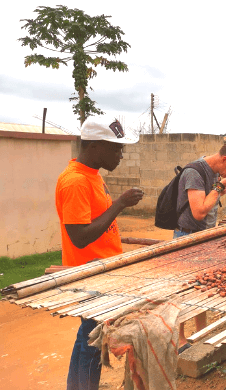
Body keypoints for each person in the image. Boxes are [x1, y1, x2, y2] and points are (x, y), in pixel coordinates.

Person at [56, 116, 144, 390]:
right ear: (95, 146)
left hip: (103, 270)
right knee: (92, 338)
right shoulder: (75, 182)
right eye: (116, 148)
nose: (121, 154)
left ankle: (78, 386)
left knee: (90, 337)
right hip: (88, 273)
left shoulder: (92, 176)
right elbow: (79, 237)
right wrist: (119, 204)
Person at [174, 141, 226, 351]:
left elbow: (210, 198)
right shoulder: (194, 173)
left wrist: (221, 187)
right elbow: (199, 211)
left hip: (204, 235)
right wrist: (220, 186)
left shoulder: (214, 172)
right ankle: (179, 339)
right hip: (187, 237)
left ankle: (201, 332)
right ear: (224, 159)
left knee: (202, 286)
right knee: (183, 289)